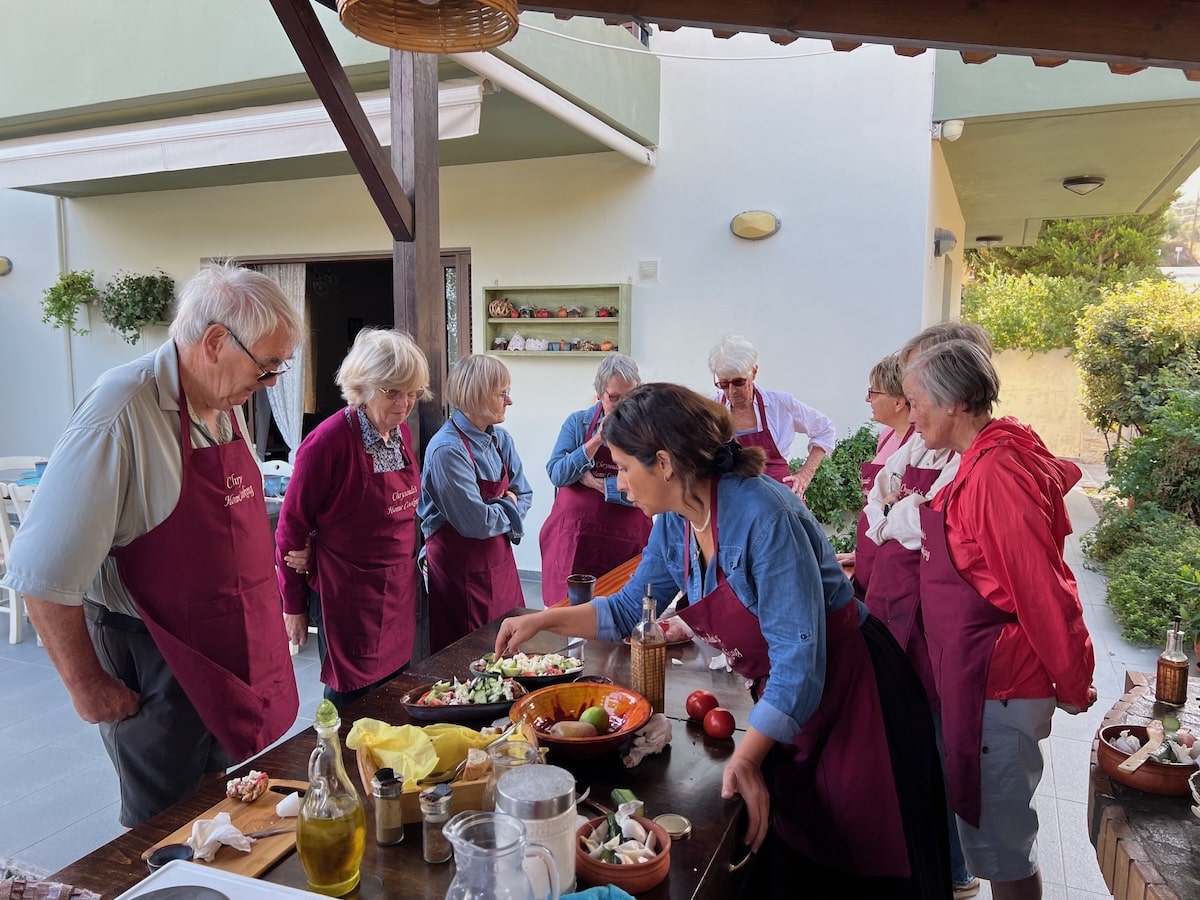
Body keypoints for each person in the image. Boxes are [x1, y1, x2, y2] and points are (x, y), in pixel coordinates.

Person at [496, 383, 951, 898]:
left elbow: (799, 657)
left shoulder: (763, 516)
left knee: (863, 855)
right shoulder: (675, 523)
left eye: (624, 466)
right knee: (797, 848)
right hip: (790, 699)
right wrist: (541, 621)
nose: (619, 484)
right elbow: (626, 609)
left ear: (664, 463)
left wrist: (748, 756)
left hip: (857, 695)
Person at [1, 264, 302, 827]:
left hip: (226, 653)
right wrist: (88, 687)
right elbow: (40, 576)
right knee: (170, 824)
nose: (272, 383)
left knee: (231, 807)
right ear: (215, 342)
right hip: (154, 653)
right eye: (267, 367)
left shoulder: (221, 401)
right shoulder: (122, 409)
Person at [905, 340, 1097, 900]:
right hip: (981, 676)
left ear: (955, 403)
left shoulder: (995, 474)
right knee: (991, 831)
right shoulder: (982, 456)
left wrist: (1073, 678)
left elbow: (1043, 588)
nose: (910, 414)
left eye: (916, 402)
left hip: (1004, 680)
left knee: (1004, 844)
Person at [860, 323, 993, 898]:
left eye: (918, 396)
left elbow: (926, 518)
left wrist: (894, 516)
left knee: (941, 742)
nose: (910, 410)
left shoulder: (974, 455)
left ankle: (954, 868)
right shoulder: (918, 442)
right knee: (912, 736)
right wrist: (891, 512)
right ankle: (924, 856)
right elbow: (883, 494)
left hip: (931, 614)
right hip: (894, 603)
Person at [275, 328, 429, 709]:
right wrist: (292, 606)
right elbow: (290, 530)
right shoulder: (327, 443)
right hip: (349, 597)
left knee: (395, 693)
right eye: (392, 392)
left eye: (411, 392)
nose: (404, 403)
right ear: (363, 386)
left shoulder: (402, 435)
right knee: (352, 700)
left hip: (398, 590)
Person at [418, 354, 533, 653]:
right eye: (502, 393)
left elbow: (526, 494)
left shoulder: (501, 440)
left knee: (511, 651)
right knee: (468, 660)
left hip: (502, 568)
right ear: (478, 395)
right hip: (460, 578)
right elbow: (476, 524)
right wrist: (509, 506)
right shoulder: (447, 450)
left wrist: (500, 507)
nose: (510, 401)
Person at [538, 354, 652, 606]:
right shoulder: (578, 423)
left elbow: (648, 490)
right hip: (575, 539)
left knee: (622, 613)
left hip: (626, 542)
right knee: (568, 615)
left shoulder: (647, 431)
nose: (622, 405)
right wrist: (595, 441)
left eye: (629, 397)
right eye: (614, 398)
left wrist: (601, 485)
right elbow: (557, 473)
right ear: (600, 393)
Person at [707, 334, 835, 498]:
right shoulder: (712, 409)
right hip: (733, 498)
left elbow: (825, 429)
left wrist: (806, 474)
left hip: (778, 496)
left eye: (739, 382)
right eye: (723, 385)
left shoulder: (780, 404)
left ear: (754, 372)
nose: (731, 392)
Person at [836, 351, 913, 583]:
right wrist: (860, 555)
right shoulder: (887, 435)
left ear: (899, 402)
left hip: (897, 563)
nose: (867, 399)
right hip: (870, 550)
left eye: (873, 392)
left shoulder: (920, 446)